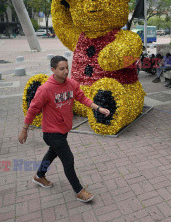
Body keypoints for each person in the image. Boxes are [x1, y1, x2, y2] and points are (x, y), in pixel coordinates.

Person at [18, 55, 110, 203]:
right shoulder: (45, 89)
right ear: (53, 69)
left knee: (51, 154)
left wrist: (98, 108)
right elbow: (33, 109)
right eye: (62, 69)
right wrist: (24, 129)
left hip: (63, 129)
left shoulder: (71, 84)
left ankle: (39, 176)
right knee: (68, 159)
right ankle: (79, 191)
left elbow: (82, 98)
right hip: (51, 132)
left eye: (67, 68)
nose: (66, 71)